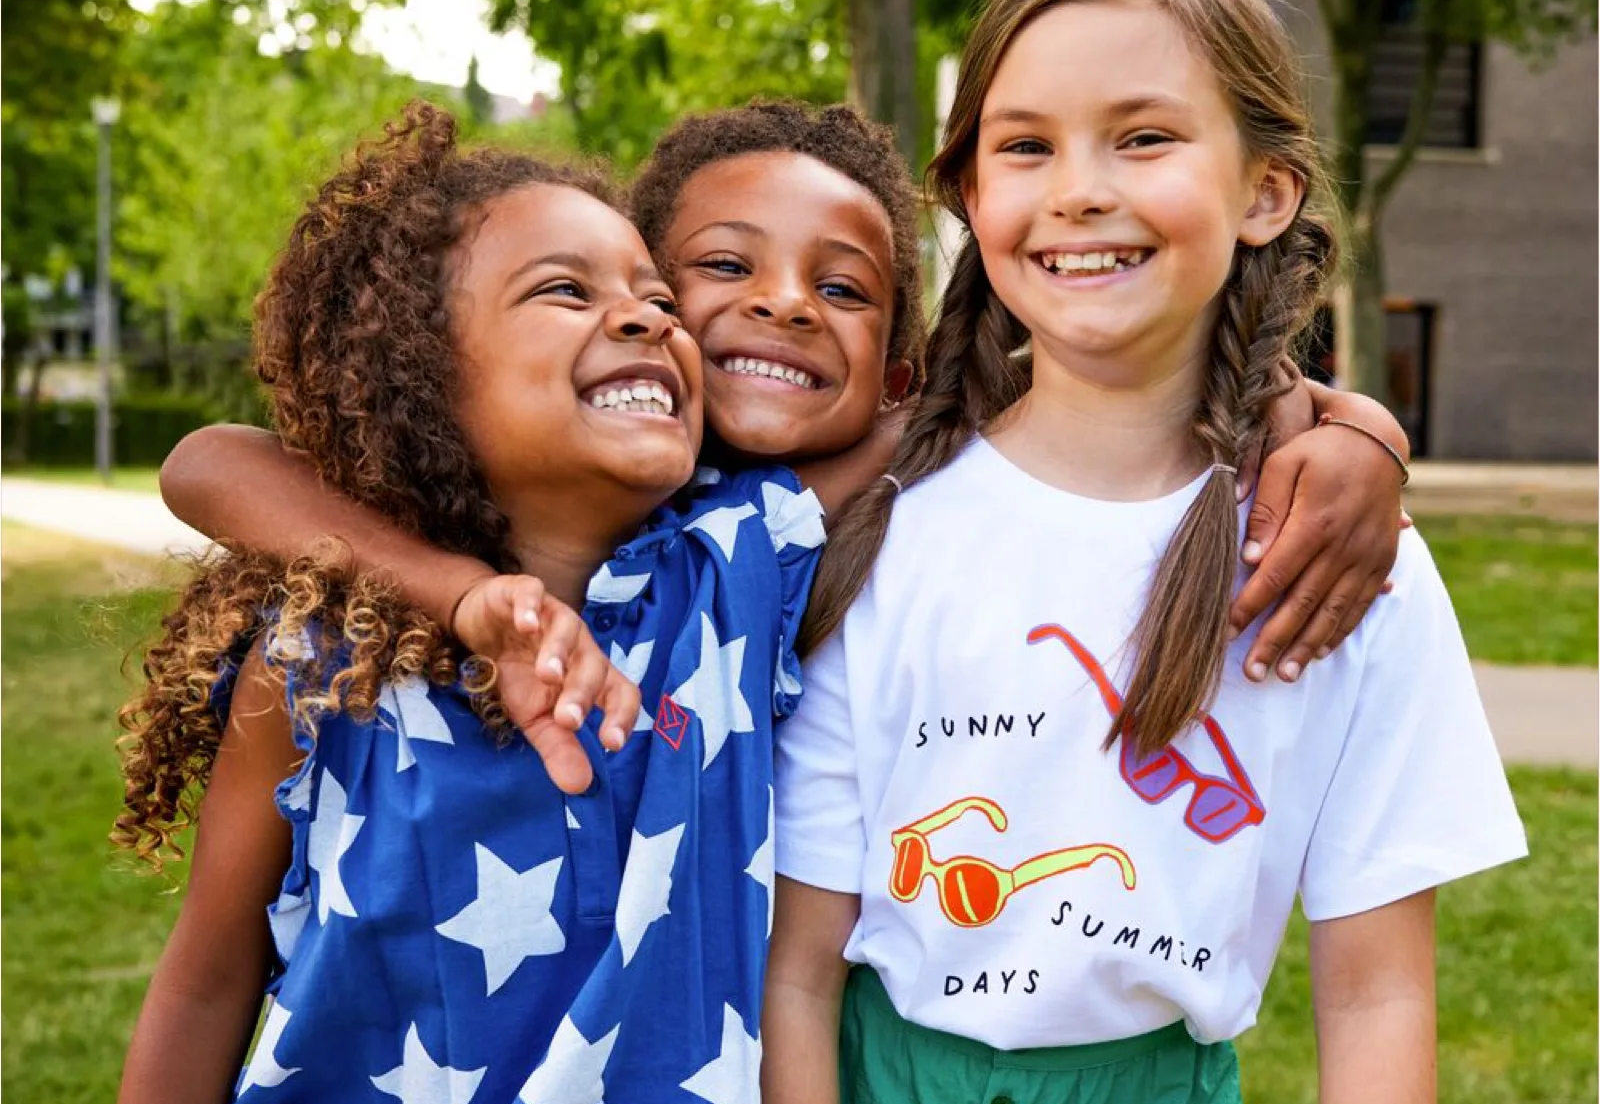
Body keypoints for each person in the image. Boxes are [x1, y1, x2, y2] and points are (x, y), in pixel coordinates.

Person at [762, 0, 1526, 1104]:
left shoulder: (1346, 570)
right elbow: (800, 973)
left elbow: (1376, 996)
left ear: (1265, 191)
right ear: (972, 195)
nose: (1077, 188)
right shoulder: (878, 534)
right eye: (1026, 145)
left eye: (1143, 136)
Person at [159, 98, 1415, 778]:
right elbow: (210, 460)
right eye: (714, 269)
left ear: (899, 382)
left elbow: (1107, 373)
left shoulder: (867, 499)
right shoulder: (528, 501)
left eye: (844, 288)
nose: (784, 304)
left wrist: (1355, 429)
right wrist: (463, 593)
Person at [114, 103, 830, 1104]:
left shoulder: (737, 565)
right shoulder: (320, 666)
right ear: (420, 375)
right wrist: (464, 598)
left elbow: (964, 421)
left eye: (658, 297)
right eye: (565, 290)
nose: (649, 320)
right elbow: (206, 980)